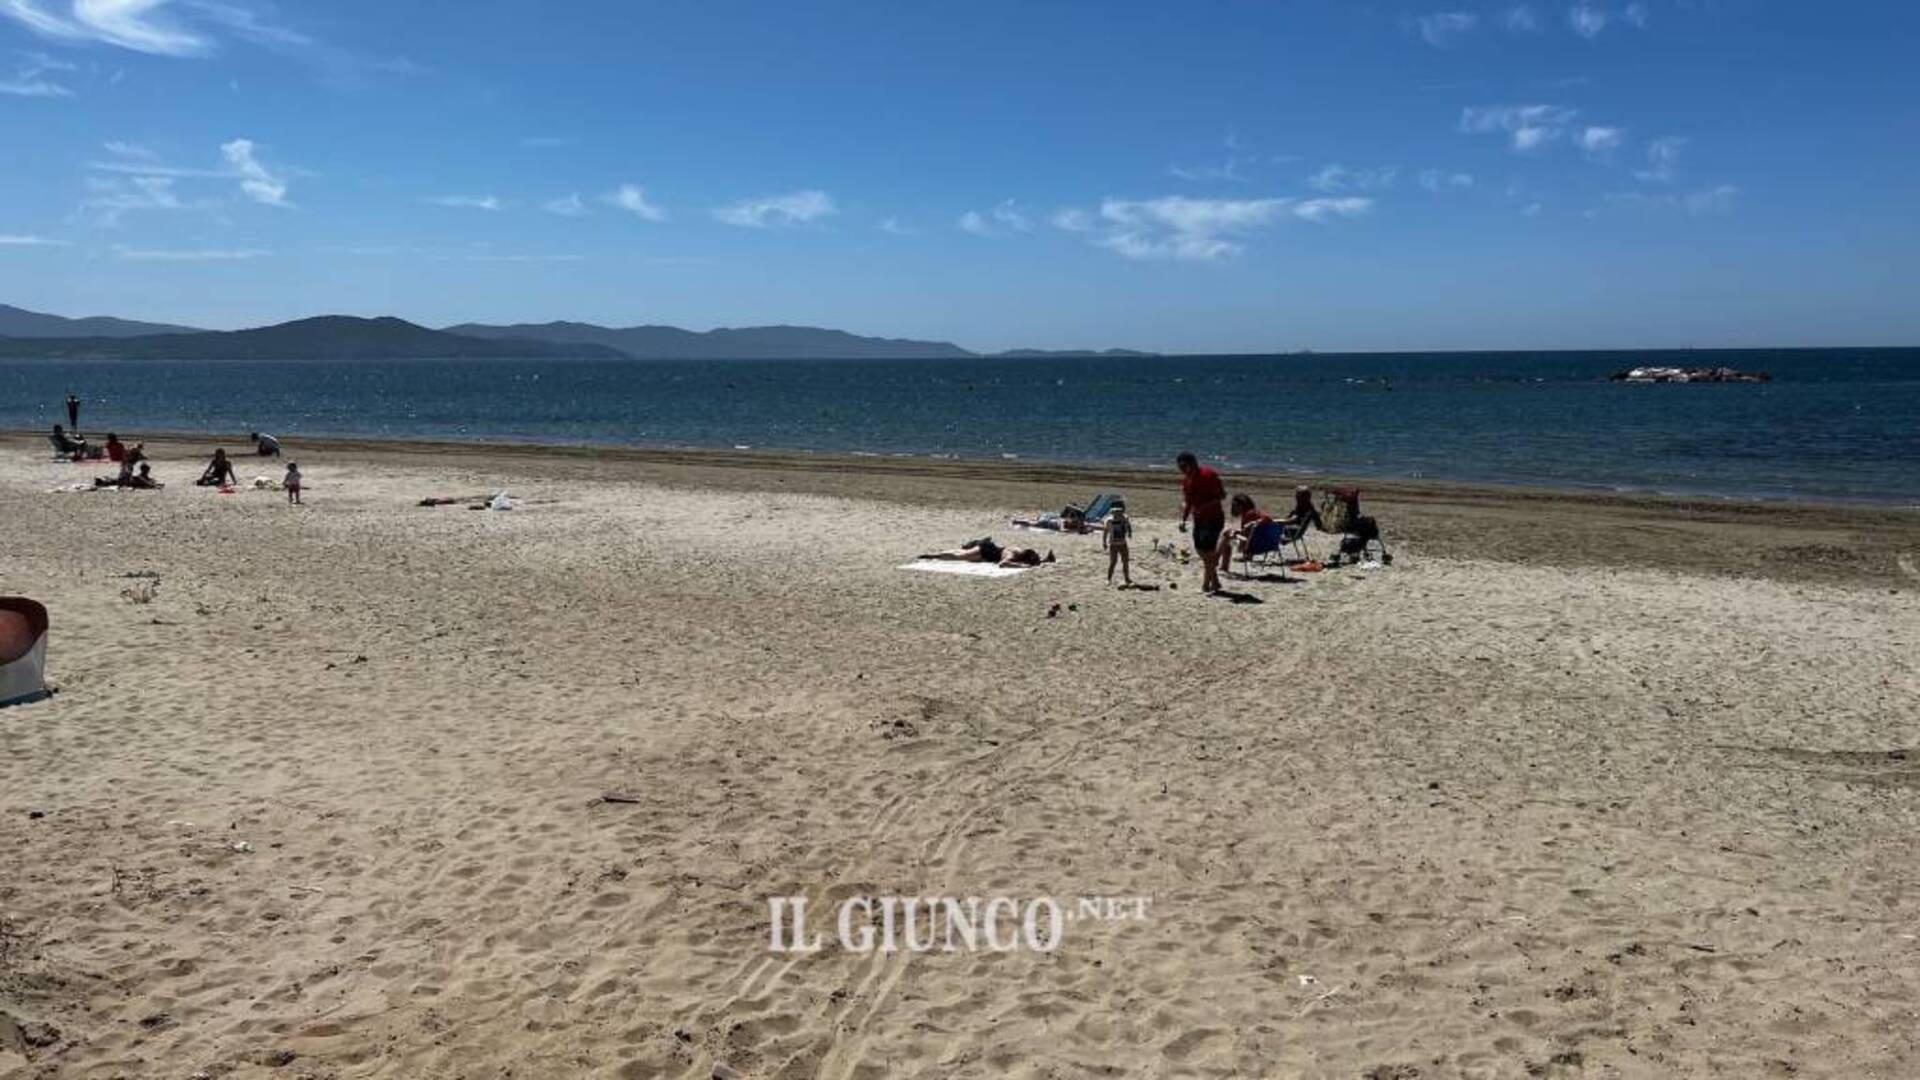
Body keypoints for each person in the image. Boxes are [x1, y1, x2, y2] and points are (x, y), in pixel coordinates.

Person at [1176, 451, 1227, 593]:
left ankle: (1206, 585)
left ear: (1193, 463)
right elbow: (1188, 502)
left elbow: (1222, 495)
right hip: (1198, 520)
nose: (1183, 470)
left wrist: (1204, 506)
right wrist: (1183, 520)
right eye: (1180, 467)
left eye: (1185, 466)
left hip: (1213, 518)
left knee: (1208, 551)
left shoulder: (1209, 475)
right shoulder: (1186, 481)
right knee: (1201, 550)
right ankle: (1215, 581)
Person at [918, 538, 1055, 567]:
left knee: (960, 552)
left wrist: (1044, 560)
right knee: (959, 556)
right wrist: (1022, 566)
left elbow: (1031, 560)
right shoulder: (1011, 555)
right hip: (985, 551)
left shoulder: (1019, 550)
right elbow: (1002, 564)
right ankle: (933, 555)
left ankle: (941, 552)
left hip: (991, 549)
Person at [1219, 494, 1273, 567]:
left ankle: (1220, 561)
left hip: (1253, 545)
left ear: (1240, 506)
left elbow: (1247, 532)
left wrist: (1251, 524)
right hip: (1268, 544)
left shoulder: (1248, 515)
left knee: (1227, 535)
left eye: (1235, 505)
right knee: (1233, 532)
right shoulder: (1256, 513)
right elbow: (1268, 520)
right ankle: (1248, 556)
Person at [1102, 498, 1133, 586]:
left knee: (1125, 562)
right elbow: (1105, 532)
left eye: (1120, 512)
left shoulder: (1125, 518)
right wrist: (1104, 542)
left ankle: (1127, 578)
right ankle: (1108, 579)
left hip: (1123, 544)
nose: (1118, 514)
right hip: (1113, 544)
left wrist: (1130, 533)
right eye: (1116, 513)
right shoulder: (1109, 521)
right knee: (1113, 562)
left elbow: (1128, 525)